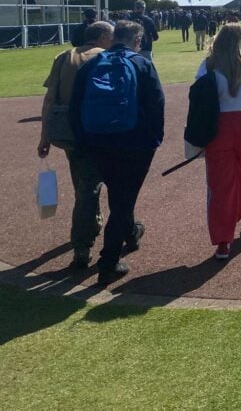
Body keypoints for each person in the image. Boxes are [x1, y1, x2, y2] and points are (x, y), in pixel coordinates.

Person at [70, 21, 164, 285]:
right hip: (133, 143)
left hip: (96, 141)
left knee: (119, 196)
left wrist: (81, 141)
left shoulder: (91, 64)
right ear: (138, 40)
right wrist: (153, 140)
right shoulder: (143, 64)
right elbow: (156, 103)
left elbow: (75, 106)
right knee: (123, 201)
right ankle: (108, 262)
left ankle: (131, 233)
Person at [38, 21, 113, 269]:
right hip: (97, 131)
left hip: (67, 131)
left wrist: (45, 135)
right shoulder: (107, 57)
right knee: (89, 188)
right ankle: (82, 243)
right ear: (103, 37)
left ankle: (91, 223)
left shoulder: (64, 56)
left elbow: (49, 99)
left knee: (82, 181)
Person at [196, 24, 241, 260]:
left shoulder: (208, 66)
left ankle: (223, 240)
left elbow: (200, 98)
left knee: (220, 185)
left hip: (219, 128)